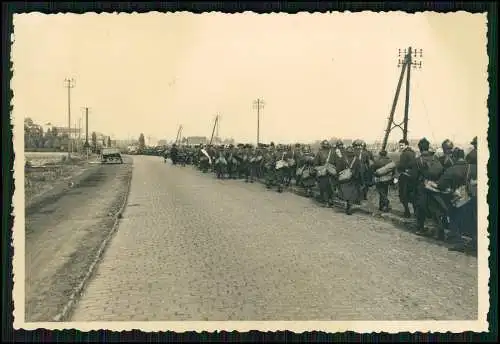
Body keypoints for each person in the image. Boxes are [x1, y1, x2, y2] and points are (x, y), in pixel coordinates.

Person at [437, 148, 477, 252]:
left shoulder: (451, 170)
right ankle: (475, 241)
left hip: (460, 199)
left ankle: (458, 242)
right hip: (475, 197)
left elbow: (441, 185)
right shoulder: (474, 167)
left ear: (453, 157)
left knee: (454, 218)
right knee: (474, 219)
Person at [412, 138, 445, 239]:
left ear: (419, 148)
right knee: (435, 209)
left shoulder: (418, 160)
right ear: (428, 147)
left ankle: (420, 228)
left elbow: (414, 176)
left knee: (420, 208)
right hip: (434, 186)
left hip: (422, 187)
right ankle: (439, 231)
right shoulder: (435, 158)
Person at [336, 146, 362, 215]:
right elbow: (359, 170)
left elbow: (338, 169)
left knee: (345, 192)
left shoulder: (342, 159)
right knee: (352, 193)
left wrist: (340, 175)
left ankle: (347, 203)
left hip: (344, 179)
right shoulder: (357, 159)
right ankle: (349, 205)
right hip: (353, 178)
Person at [396, 139, 417, 218]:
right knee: (412, 195)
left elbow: (401, 166)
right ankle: (416, 213)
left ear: (406, 145)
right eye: (400, 145)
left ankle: (407, 212)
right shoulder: (413, 153)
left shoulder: (404, 154)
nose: (400, 147)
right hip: (413, 177)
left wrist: (399, 168)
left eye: (402, 145)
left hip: (405, 177)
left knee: (403, 195)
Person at [314, 140, 335, 206]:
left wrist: (321, 168)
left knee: (324, 187)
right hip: (331, 172)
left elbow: (315, 164)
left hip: (323, 173)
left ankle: (326, 201)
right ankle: (330, 200)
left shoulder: (319, 153)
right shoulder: (333, 152)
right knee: (331, 187)